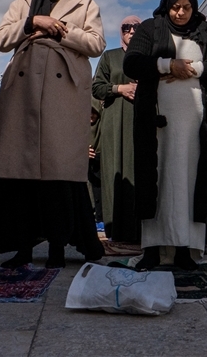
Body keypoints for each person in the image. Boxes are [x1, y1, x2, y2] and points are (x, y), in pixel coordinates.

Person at [0, 0, 105, 268]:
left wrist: (60, 29)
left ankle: (56, 249)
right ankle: (22, 249)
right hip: (23, 94)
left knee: (58, 176)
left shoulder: (85, 4)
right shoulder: (24, 2)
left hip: (61, 95)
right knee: (21, 177)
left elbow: (96, 44)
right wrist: (32, 23)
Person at [124, 0, 207, 270]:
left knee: (187, 181)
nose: (181, 13)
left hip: (192, 123)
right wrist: (165, 65)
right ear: (167, 5)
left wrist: (194, 68)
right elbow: (131, 62)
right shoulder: (150, 28)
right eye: (176, 7)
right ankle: (153, 249)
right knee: (158, 179)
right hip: (156, 122)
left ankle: (185, 249)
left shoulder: (206, 31)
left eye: (186, 7)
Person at [91, 15, 141, 244]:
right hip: (113, 124)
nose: (131, 31)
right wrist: (119, 88)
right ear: (120, 32)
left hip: (140, 122)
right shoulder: (109, 57)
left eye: (136, 27)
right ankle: (114, 228)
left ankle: (138, 229)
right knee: (114, 172)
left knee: (137, 172)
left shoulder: (148, 58)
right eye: (126, 27)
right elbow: (97, 87)